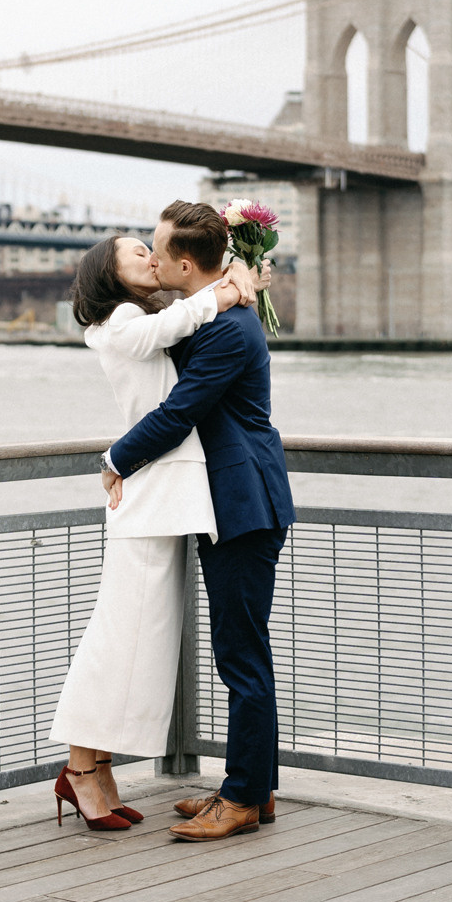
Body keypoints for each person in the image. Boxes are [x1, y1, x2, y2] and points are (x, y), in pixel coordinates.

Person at [46, 232, 256, 831]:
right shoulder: (121, 322)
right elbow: (174, 328)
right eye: (137, 253)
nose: (151, 258)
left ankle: (96, 762)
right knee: (121, 637)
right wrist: (225, 286)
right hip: (147, 498)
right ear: (109, 274)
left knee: (146, 640)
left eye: (151, 248)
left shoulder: (143, 317)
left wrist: (236, 276)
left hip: (167, 496)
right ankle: (81, 767)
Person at [102, 200, 295, 842]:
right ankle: (253, 787)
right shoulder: (212, 313)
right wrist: (238, 275)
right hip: (233, 500)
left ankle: (242, 798)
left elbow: (180, 410)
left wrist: (115, 460)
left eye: (158, 251)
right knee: (240, 650)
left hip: (245, 503)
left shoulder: (228, 330)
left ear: (186, 264)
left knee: (242, 655)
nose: (152, 260)